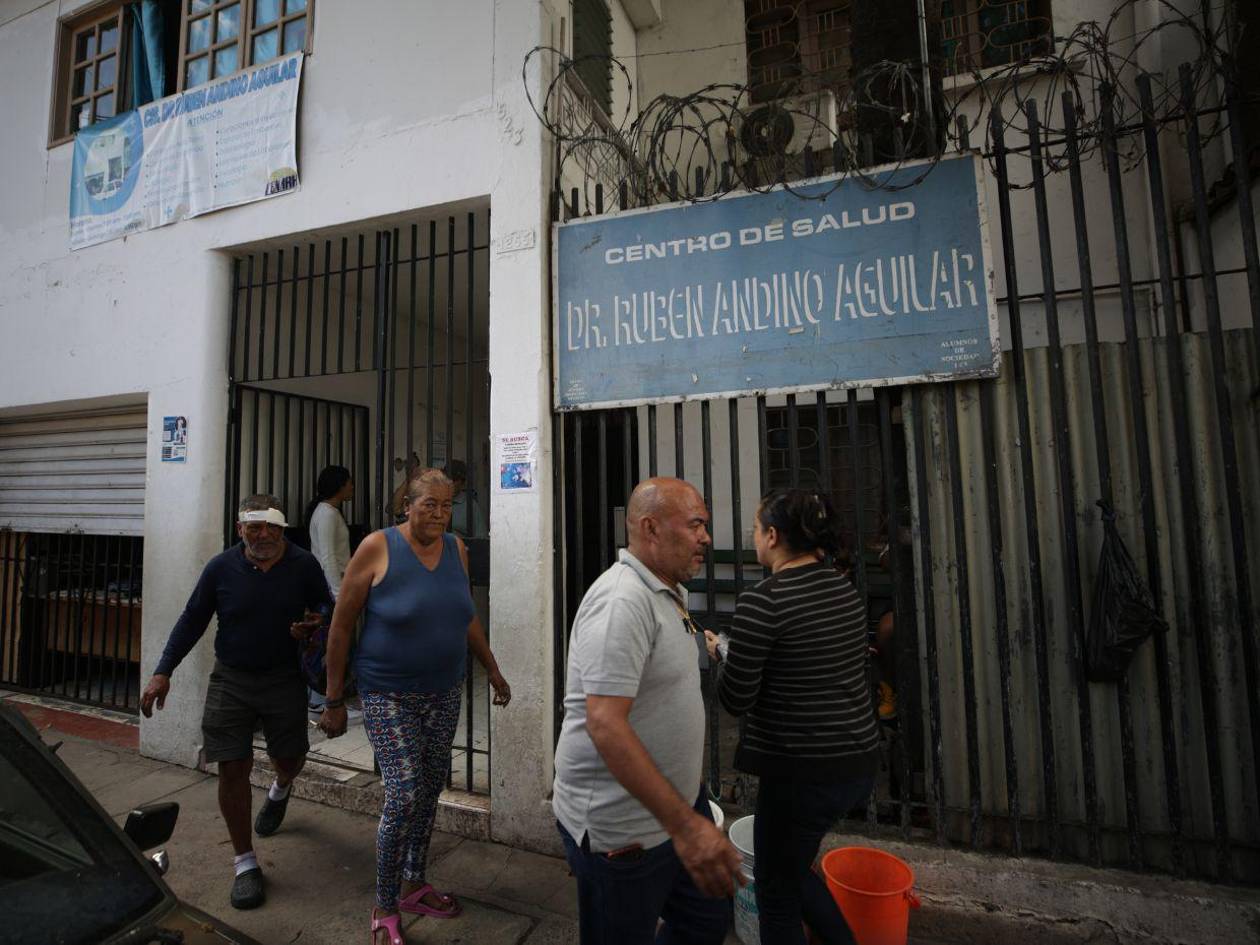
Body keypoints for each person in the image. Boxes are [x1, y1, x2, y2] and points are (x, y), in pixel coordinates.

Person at [319, 467, 511, 945]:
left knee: (428, 791)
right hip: (388, 693)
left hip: (444, 690)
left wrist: (492, 668)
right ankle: (384, 904)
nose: (440, 515)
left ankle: (414, 883)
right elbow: (342, 626)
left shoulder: (457, 549)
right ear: (408, 503)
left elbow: (464, 616)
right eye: (430, 505)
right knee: (403, 794)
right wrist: (334, 697)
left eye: (447, 506)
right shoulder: (378, 547)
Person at [553, 476, 742, 945]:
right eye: (696, 524)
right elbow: (604, 723)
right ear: (651, 528)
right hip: (625, 834)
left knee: (705, 920)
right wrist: (687, 827)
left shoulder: (665, 590)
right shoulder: (622, 601)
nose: (706, 538)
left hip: (674, 812)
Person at [140, 495, 332, 911]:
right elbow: (192, 619)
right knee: (232, 766)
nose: (263, 535)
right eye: (254, 527)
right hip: (232, 679)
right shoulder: (221, 568)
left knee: (291, 758)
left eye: (272, 528)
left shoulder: (303, 565)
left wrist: (315, 623)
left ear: (283, 529)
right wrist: (162, 671)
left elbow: (326, 606)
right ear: (239, 527)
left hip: (284, 678)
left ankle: (281, 788)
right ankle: (245, 863)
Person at [705, 488, 879, 945]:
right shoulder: (843, 589)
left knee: (777, 892)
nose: (754, 538)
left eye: (756, 529)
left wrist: (721, 656)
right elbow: (811, 664)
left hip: (802, 773)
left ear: (773, 536)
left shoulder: (765, 600)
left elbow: (736, 699)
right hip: (855, 762)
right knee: (792, 869)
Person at [307, 465, 354, 599]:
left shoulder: (330, 512)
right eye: (349, 483)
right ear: (340, 486)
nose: (352, 487)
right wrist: (338, 593)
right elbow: (328, 556)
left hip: (335, 579)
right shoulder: (327, 514)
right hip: (332, 582)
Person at [443, 459, 485, 537]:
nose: (450, 483)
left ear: (462, 482)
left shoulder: (471, 506)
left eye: (454, 480)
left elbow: (480, 538)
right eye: (447, 479)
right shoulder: (436, 502)